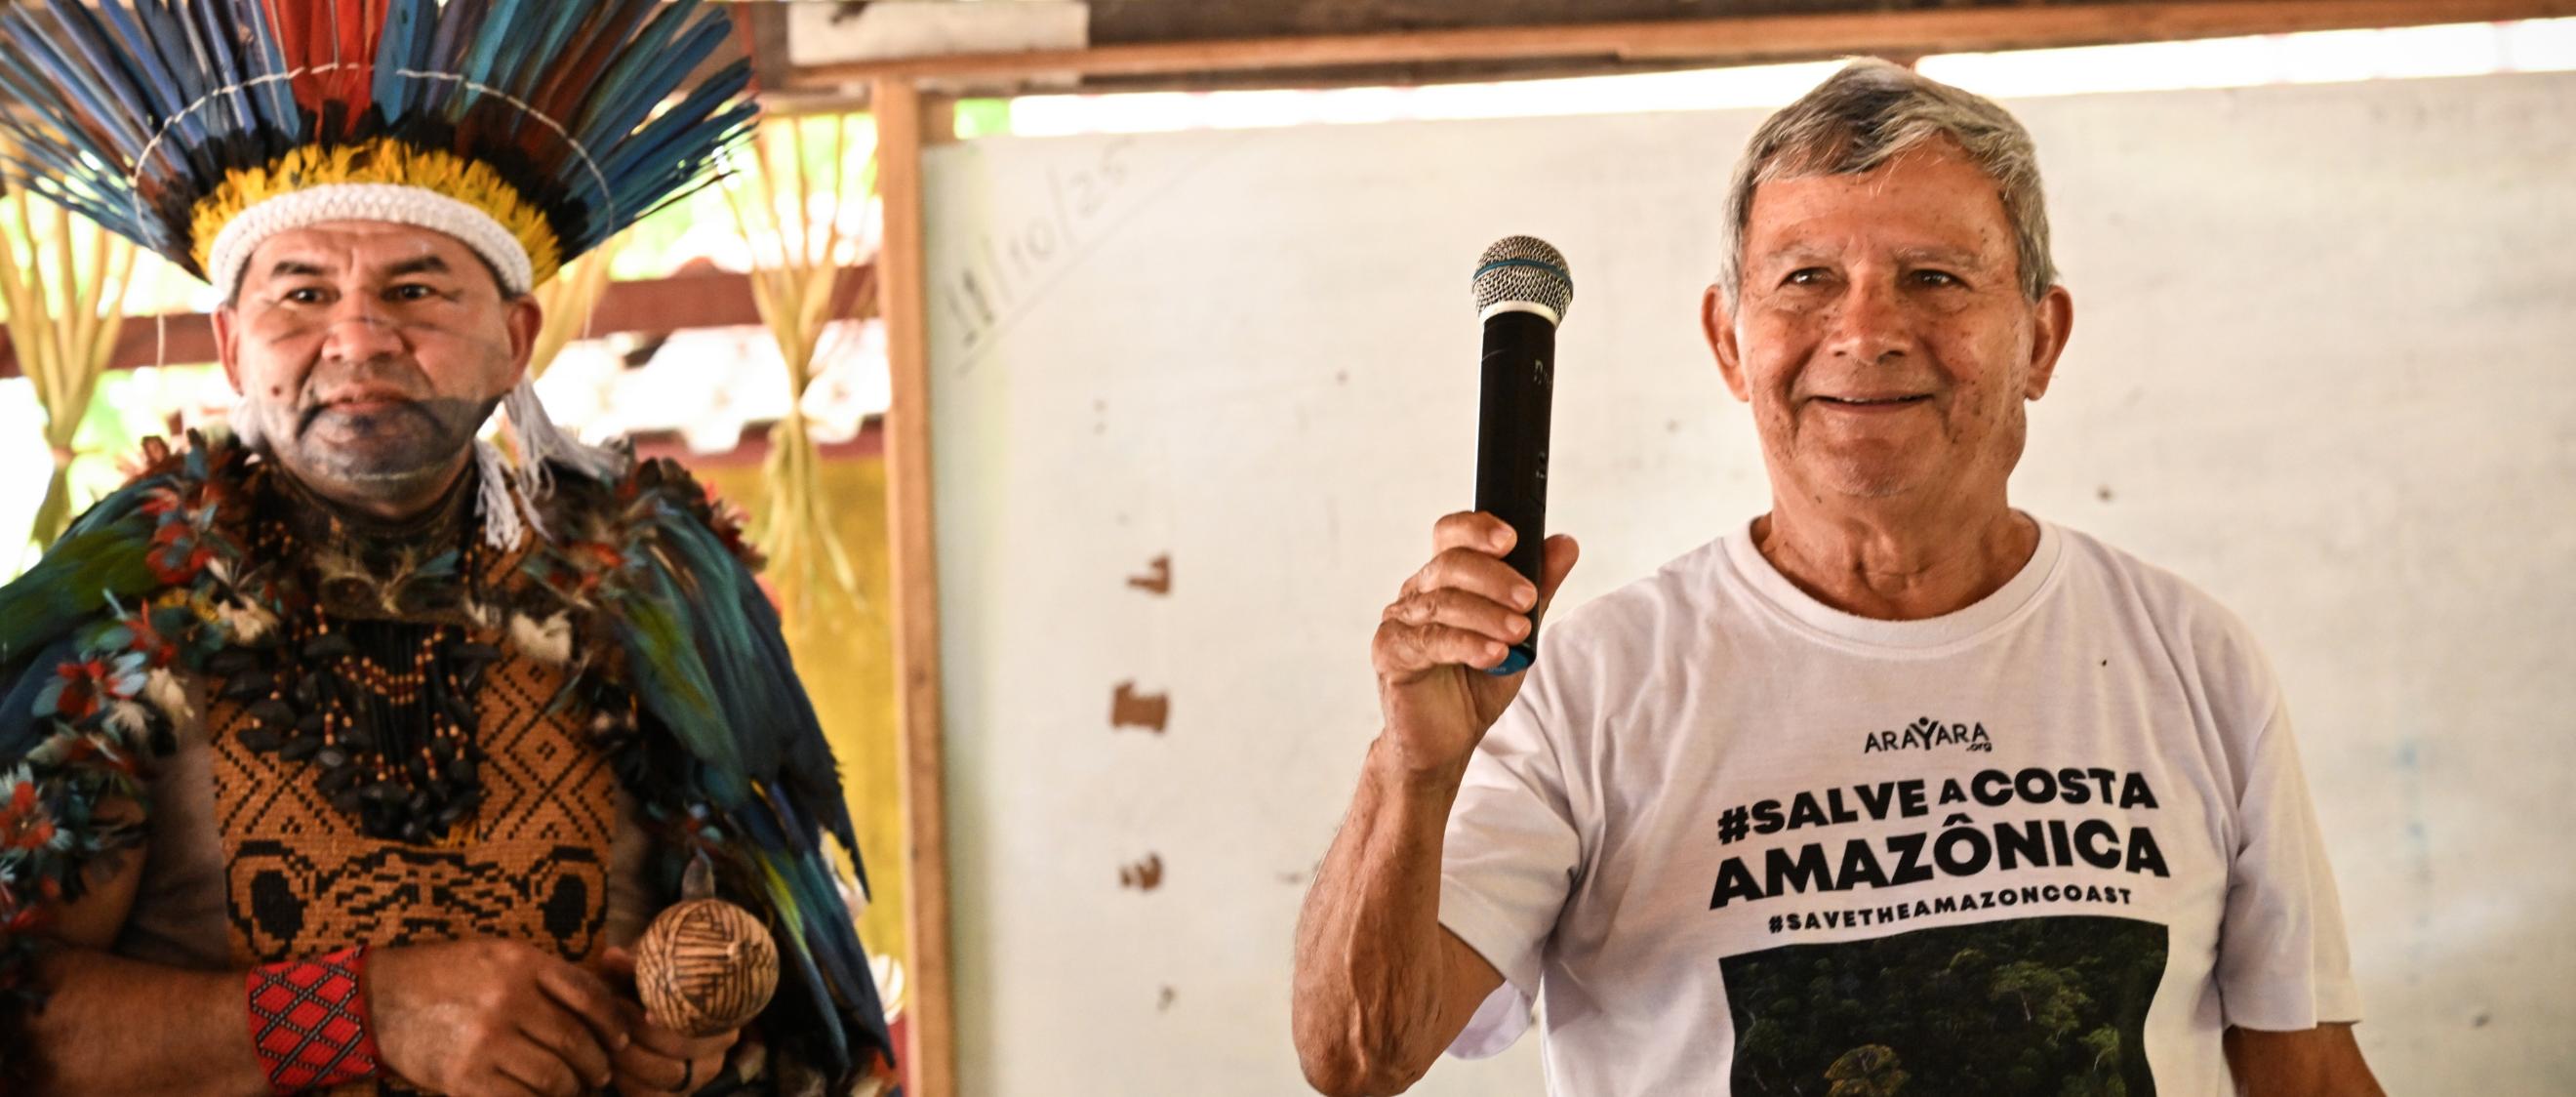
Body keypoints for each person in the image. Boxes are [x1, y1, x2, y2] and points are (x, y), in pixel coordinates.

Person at [1292, 59, 2383, 1096]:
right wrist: (1413, 770)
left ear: (2040, 338)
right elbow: (1358, 1051)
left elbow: (2309, 1067)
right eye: (1808, 279)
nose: (1864, 331)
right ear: (1731, 341)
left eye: (1935, 279)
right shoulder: (1589, 685)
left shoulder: (2189, 656)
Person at [0, 2, 894, 1094]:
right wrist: (364, 1010)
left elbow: (794, 985)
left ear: (515, 338)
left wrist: (695, 1040)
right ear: (234, 345)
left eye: (415, 288)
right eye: (304, 293)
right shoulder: (131, 617)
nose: (359, 335)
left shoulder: (650, 589)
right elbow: (21, 1021)